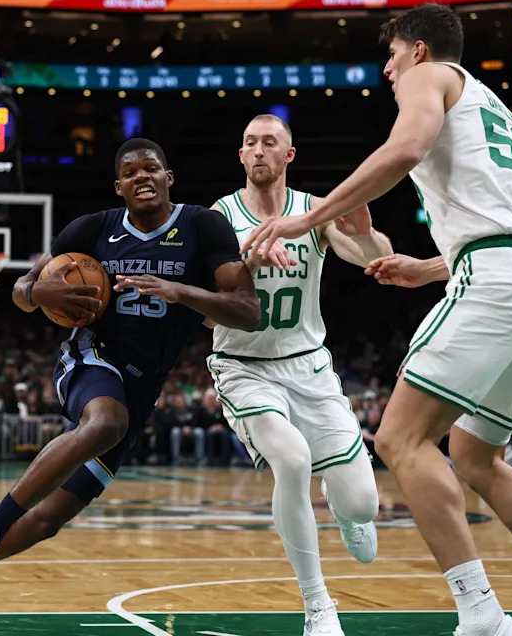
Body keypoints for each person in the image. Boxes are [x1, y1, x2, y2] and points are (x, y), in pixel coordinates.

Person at [240, 4, 512, 636]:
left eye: (390, 56)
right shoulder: (501, 109)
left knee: (400, 440)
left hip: (494, 280)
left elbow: (405, 146)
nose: (387, 70)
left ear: (417, 49)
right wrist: (427, 267)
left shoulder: (431, 73)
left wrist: (307, 218)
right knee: (476, 457)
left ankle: (480, 613)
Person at [0, 138, 260, 634]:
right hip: (92, 358)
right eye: (131, 173)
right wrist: (36, 290)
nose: (142, 177)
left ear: (169, 177)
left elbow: (248, 311)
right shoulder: (93, 230)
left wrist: (182, 292)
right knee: (106, 421)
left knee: (48, 521)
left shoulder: (202, 226)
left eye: (152, 168)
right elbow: (22, 290)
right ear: (119, 187)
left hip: (142, 389)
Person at [207, 114, 388, 635]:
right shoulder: (220, 218)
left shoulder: (314, 210)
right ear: (241, 156)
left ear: (289, 155)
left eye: (269, 142)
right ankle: (318, 607)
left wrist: (369, 234)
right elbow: (205, 309)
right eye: (249, 143)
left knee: (364, 502)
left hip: (308, 365)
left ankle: (347, 507)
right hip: (244, 368)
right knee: (292, 459)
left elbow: (375, 260)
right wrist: (249, 266)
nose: (258, 149)